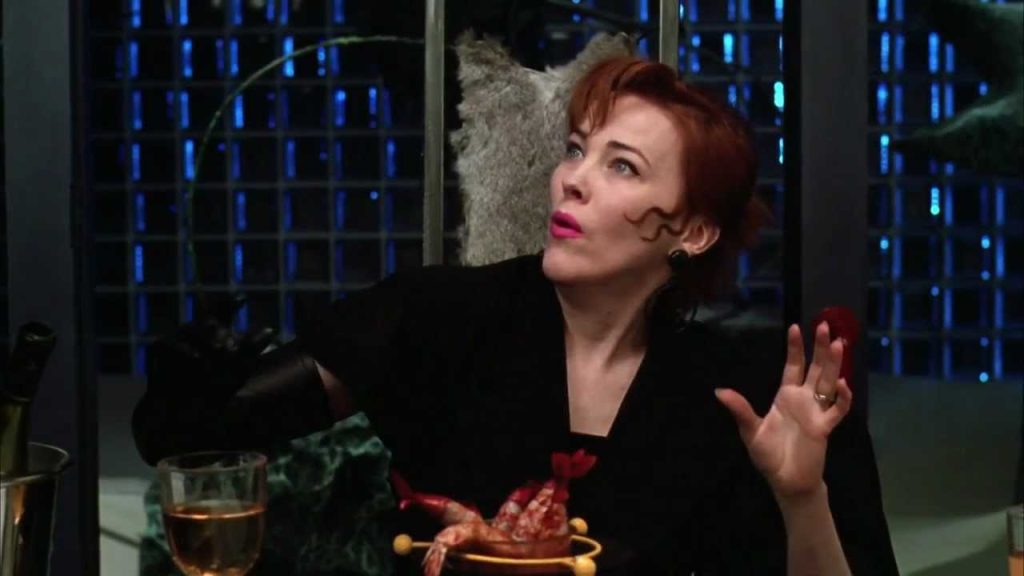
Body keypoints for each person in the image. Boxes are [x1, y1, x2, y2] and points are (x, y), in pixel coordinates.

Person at [134, 56, 899, 575]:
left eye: (621, 166)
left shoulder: (752, 393)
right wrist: (199, 387)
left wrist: (801, 496)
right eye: (576, 150)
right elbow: (187, 440)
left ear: (692, 232)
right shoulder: (440, 319)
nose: (573, 180)